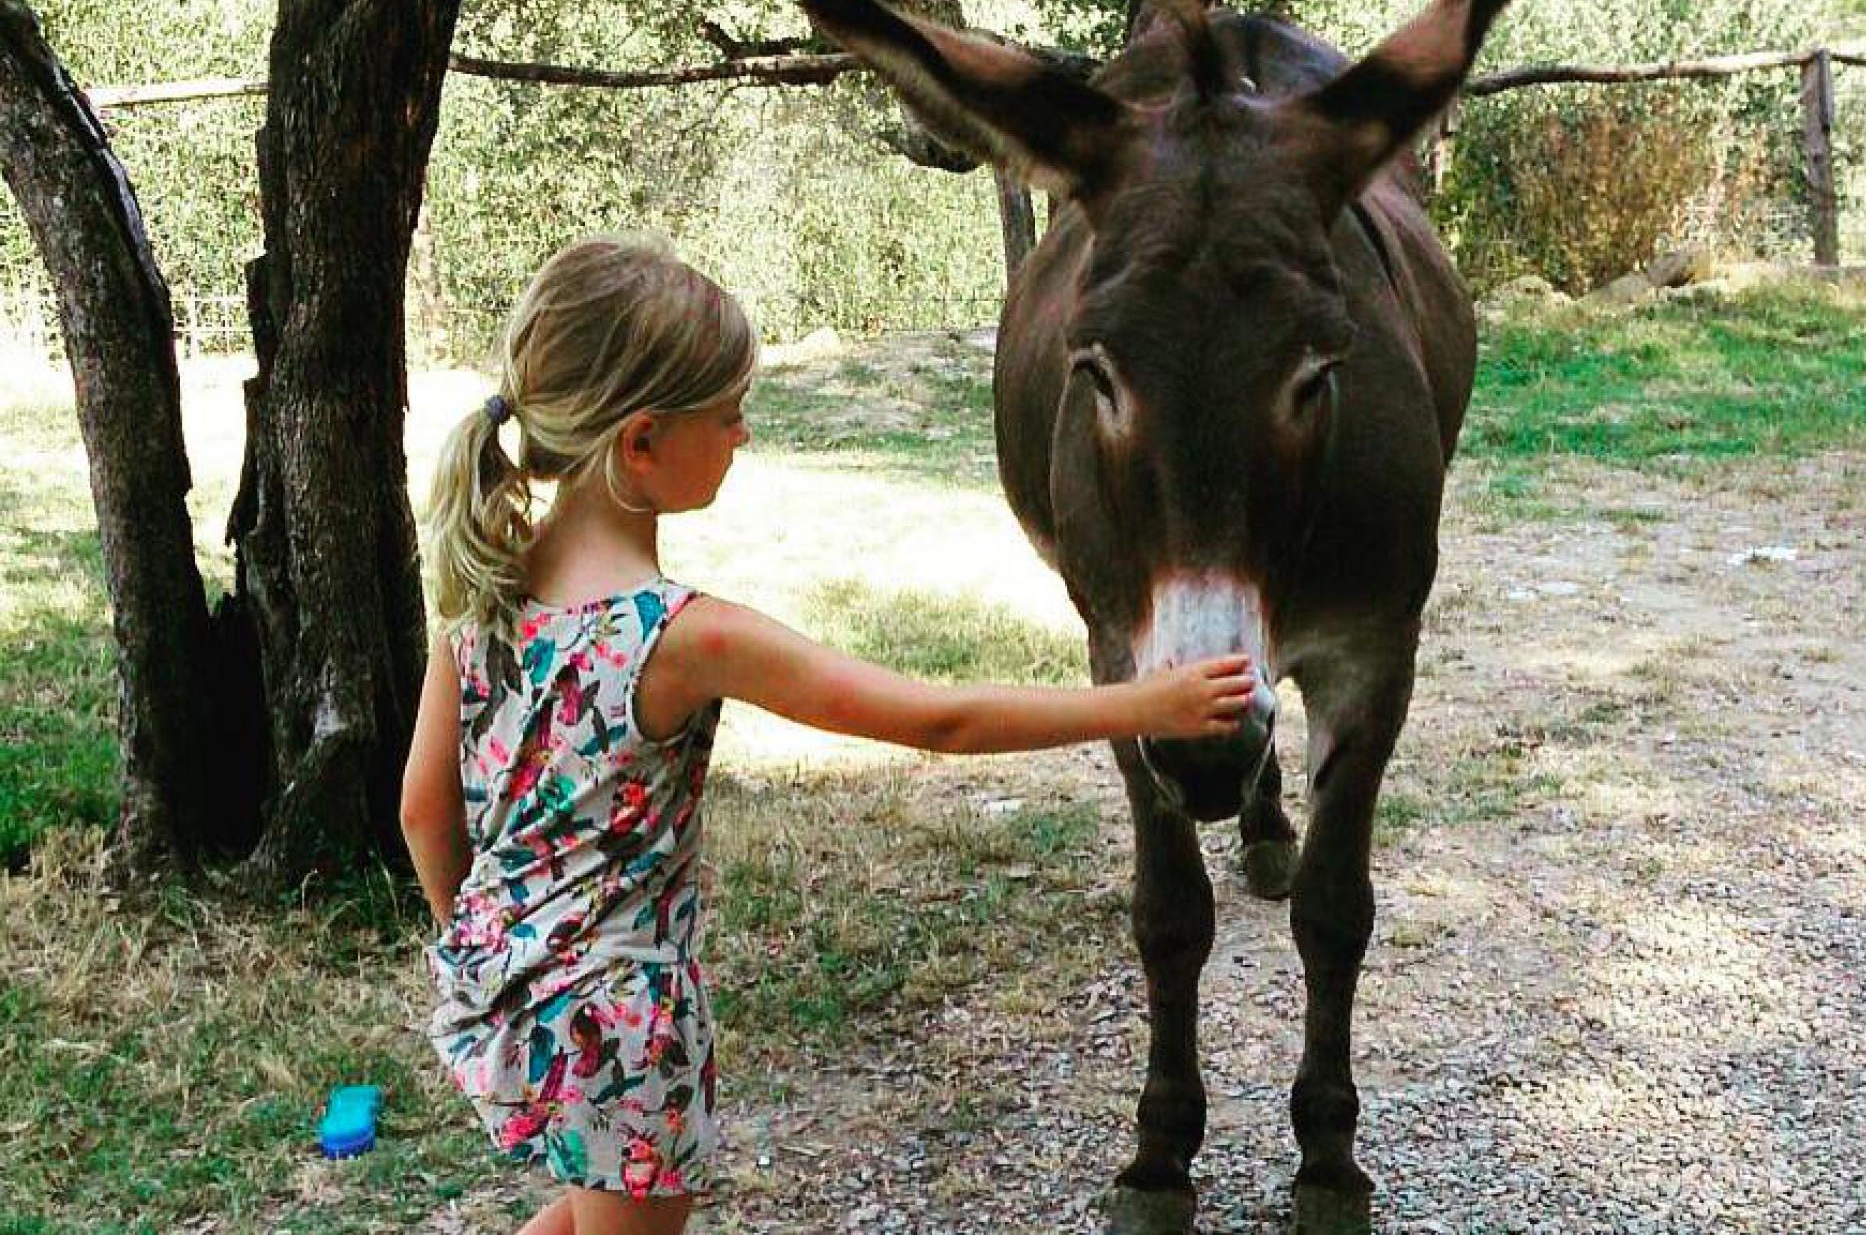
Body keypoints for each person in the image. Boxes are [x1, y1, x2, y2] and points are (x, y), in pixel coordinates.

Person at [400, 234, 1255, 1235]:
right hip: (621, 1028)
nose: (745, 434)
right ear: (641, 444)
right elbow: (935, 716)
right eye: (727, 415)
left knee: (588, 1212)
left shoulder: (482, 604)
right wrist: (1144, 703)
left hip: (502, 992)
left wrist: (507, 955)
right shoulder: (679, 635)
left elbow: (423, 812)